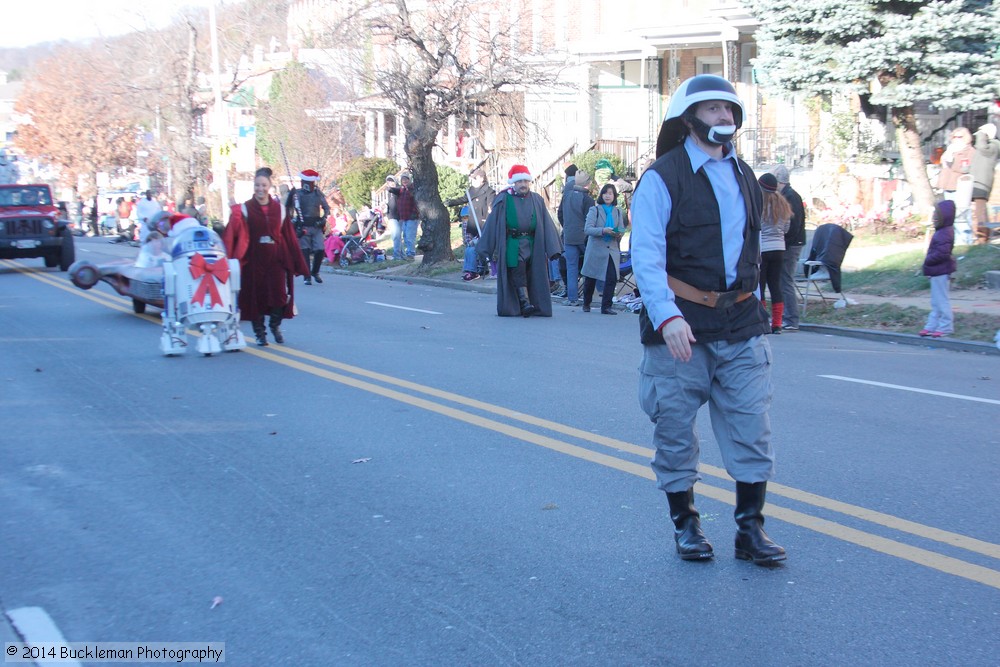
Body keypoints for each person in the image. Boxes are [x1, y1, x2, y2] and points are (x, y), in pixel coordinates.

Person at [630, 74, 785, 566]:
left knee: (751, 429)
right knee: (675, 431)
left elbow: (750, 250)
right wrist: (668, 316)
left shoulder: (744, 174)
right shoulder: (661, 177)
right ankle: (687, 526)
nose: (724, 117)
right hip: (681, 327)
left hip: (740, 323)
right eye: (713, 109)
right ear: (688, 118)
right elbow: (647, 258)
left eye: (729, 109)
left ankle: (750, 530)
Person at [223, 167, 309, 346]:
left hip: (276, 258)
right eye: (257, 185)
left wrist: (298, 263)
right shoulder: (245, 209)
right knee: (256, 298)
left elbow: (289, 237)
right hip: (254, 259)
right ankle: (259, 333)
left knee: (278, 296)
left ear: (269, 186)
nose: (260, 188)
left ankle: (274, 325)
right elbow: (234, 235)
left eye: (263, 185)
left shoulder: (280, 210)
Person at [478, 164, 563, 317]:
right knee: (518, 271)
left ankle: (534, 305)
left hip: (532, 243)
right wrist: (484, 249)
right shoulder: (503, 199)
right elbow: (492, 224)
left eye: (525, 181)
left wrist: (553, 248)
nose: (523, 185)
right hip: (513, 243)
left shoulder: (536, 199)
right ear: (514, 183)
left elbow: (547, 223)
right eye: (520, 182)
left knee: (534, 273)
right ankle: (524, 303)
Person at [580, 183, 627, 314]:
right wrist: (603, 230)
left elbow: (622, 228)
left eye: (610, 193)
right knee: (591, 277)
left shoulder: (617, 211)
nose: (608, 195)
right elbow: (588, 229)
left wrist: (619, 233)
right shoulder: (594, 210)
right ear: (601, 195)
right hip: (596, 248)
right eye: (605, 193)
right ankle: (586, 303)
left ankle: (606, 306)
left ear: (614, 196)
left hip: (611, 249)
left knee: (612, 278)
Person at [445, 168, 495, 280]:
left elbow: (491, 205)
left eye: (474, 178)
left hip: (483, 224)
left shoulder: (489, 191)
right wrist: (451, 202)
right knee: (471, 246)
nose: (472, 181)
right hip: (473, 224)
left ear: (481, 179)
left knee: (478, 247)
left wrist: (490, 212)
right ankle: (475, 269)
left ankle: (475, 270)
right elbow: (463, 199)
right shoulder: (471, 191)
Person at [757, 173, 792, 334]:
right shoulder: (783, 204)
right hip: (779, 248)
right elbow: (786, 228)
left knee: (761, 285)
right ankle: (777, 324)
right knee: (775, 285)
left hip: (763, 249)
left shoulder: (759, 204)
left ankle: (763, 321)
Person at [774, 165, 806, 331]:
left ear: (780, 181)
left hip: (791, 245)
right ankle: (788, 317)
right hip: (790, 243)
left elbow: (793, 224)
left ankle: (791, 319)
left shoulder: (790, 197)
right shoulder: (788, 195)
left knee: (785, 280)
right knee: (783, 280)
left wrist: (783, 241)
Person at [919, 200, 957, 338]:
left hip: (941, 270)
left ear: (944, 217)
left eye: (937, 215)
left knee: (941, 300)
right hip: (936, 271)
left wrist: (928, 261)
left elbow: (942, 253)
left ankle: (946, 326)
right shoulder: (941, 232)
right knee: (935, 301)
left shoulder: (945, 233)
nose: (934, 217)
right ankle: (932, 325)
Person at [287, 168, 331, 284]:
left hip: (316, 226)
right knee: (304, 251)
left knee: (320, 249)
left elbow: (326, 208)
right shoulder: (297, 194)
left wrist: (323, 219)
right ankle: (307, 276)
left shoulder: (318, 194)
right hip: (303, 226)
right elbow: (289, 209)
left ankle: (315, 271)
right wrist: (291, 221)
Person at [558, 170, 594, 306]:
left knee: (571, 267)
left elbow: (560, 213)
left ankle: (572, 298)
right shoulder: (588, 200)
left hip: (569, 236)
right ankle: (595, 294)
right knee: (591, 265)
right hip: (584, 237)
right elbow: (590, 219)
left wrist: (566, 226)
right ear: (587, 184)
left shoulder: (566, 195)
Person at [970, 123, 999, 244]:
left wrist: (982, 133)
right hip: (976, 180)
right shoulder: (987, 147)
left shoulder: (994, 146)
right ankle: (982, 235)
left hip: (983, 182)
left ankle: (981, 237)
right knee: (979, 210)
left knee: (979, 211)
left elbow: (982, 148)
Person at [936, 128, 975, 199]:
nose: (957, 139)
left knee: (959, 207)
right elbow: (942, 164)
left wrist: (950, 163)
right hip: (946, 182)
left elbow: (964, 169)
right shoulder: (950, 148)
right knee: (948, 207)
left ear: (966, 137)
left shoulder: (969, 150)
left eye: (959, 137)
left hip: (959, 184)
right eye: (954, 137)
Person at [388, 173, 419, 259]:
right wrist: (390, 189)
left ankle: (411, 253)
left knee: (410, 236)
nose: (404, 181)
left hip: (412, 216)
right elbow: (395, 190)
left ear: (409, 180)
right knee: (405, 236)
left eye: (406, 179)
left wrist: (414, 213)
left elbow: (415, 201)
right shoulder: (402, 190)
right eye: (403, 180)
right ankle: (408, 253)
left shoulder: (412, 189)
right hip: (404, 217)